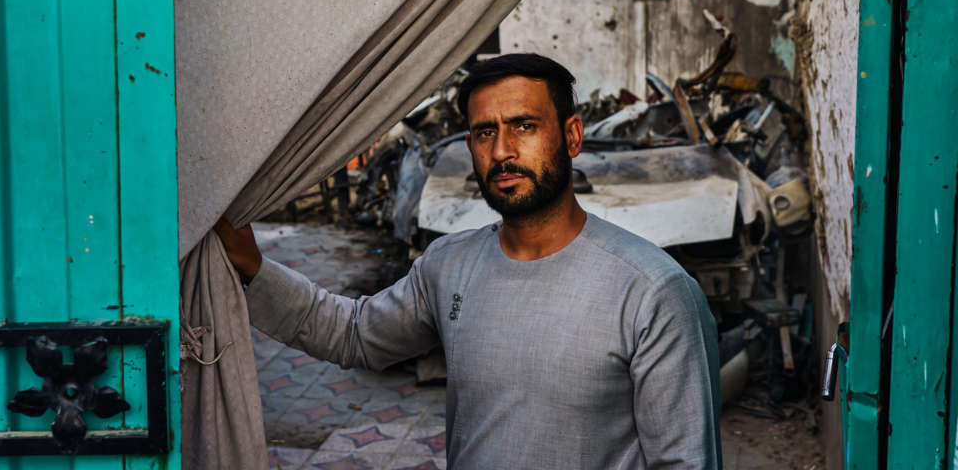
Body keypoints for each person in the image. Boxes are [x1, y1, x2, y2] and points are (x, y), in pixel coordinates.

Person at [214, 53, 721, 469]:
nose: (501, 151)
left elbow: (684, 463)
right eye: (483, 132)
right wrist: (254, 270)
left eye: (524, 126)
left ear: (571, 136)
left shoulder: (652, 292)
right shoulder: (451, 265)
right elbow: (354, 335)